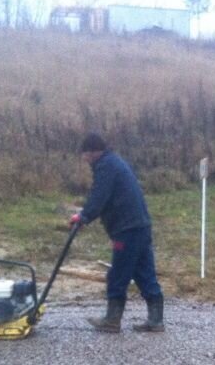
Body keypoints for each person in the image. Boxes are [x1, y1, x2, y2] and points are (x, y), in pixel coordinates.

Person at [70, 133, 164, 333]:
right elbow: (103, 196)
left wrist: (84, 216)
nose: (85, 159)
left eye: (85, 154)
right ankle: (156, 320)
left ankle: (112, 320)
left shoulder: (106, 166)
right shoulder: (114, 162)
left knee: (118, 274)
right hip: (140, 226)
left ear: (94, 151)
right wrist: (86, 215)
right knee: (144, 272)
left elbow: (99, 195)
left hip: (127, 229)